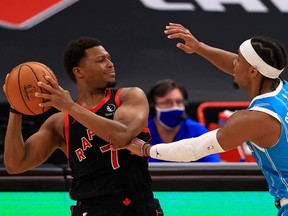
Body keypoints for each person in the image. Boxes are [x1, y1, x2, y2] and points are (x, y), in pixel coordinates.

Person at [123, 23, 288, 215]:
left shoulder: (255, 119)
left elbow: (193, 150)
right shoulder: (281, 89)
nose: (234, 62)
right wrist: (199, 47)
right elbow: (238, 66)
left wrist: (146, 149)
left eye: (239, 60)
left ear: (253, 72)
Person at [3, 37, 163, 216]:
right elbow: (15, 164)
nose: (110, 64)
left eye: (109, 58)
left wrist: (71, 107)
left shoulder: (128, 97)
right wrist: (16, 108)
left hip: (137, 207)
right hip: (91, 209)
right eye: (101, 60)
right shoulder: (59, 122)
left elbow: (122, 135)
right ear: (79, 72)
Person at [146, 78, 220, 162]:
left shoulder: (197, 130)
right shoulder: (141, 131)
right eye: (167, 102)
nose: (174, 107)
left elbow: (212, 166)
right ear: (152, 106)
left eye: (179, 102)